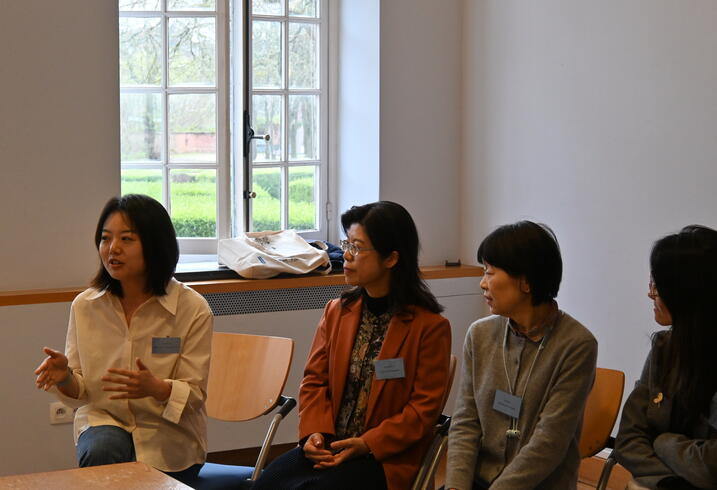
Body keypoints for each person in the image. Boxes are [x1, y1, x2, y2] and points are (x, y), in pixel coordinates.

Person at [253, 201, 452, 490]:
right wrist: (314, 434)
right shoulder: (337, 311)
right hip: (330, 443)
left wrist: (366, 443)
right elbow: (314, 381)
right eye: (347, 244)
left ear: (391, 258)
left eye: (357, 248)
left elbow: (422, 412)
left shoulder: (429, 328)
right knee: (266, 485)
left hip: (382, 456)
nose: (345, 255)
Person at [34, 194, 212, 484]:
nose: (112, 249)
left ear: (155, 245)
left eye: (126, 239)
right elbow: (81, 388)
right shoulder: (86, 305)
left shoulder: (192, 308)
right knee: (103, 448)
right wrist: (64, 376)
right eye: (105, 239)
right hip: (105, 420)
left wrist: (157, 388)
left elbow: (195, 394)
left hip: (167, 434)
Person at [445, 221, 598, 490]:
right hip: (477, 480)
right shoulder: (479, 335)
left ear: (526, 281)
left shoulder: (576, 345)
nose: (482, 283)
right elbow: (465, 421)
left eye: (490, 273)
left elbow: (549, 442)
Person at [615, 225, 717, 490]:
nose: (651, 293)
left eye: (658, 285)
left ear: (688, 293)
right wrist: (668, 482)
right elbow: (629, 436)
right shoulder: (664, 348)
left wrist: (663, 443)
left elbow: (711, 466)